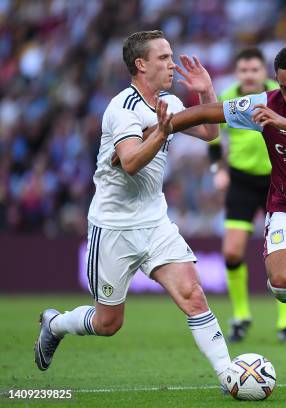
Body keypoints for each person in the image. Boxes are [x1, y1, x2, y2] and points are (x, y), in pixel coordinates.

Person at [155, 44, 286, 393]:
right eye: (285, 89)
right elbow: (211, 112)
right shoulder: (261, 104)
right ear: (277, 83)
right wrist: (165, 126)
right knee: (281, 282)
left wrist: (283, 123)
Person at [34, 30, 233, 389]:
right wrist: (160, 131)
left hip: (155, 221)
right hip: (113, 227)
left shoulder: (169, 103)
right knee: (108, 324)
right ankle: (56, 324)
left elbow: (209, 133)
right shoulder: (122, 109)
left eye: (171, 56)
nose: (172, 64)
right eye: (164, 58)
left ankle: (229, 375)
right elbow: (130, 162)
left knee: (193, 294)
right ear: (141, 64)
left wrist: (204, 91)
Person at [210, 48, 286, 343]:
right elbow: (212, 134)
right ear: (237, 74)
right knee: (232, 252)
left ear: (264, 73)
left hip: (277, 180)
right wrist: (216, 169)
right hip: (241, 181)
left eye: (254, 70)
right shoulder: (227, 99)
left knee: (281, 254)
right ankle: (241, 316)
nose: (249, 75)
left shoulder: (279, 95)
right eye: (243, 70)